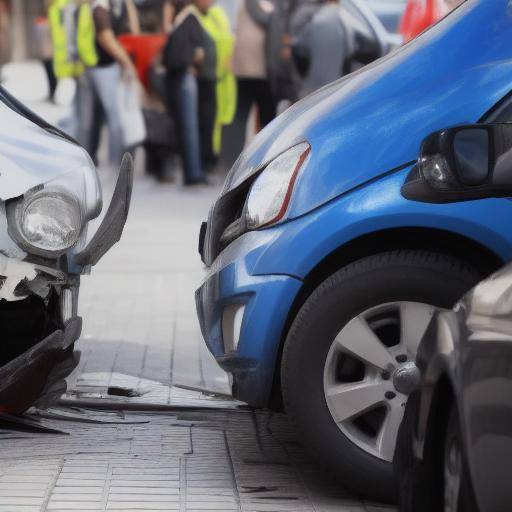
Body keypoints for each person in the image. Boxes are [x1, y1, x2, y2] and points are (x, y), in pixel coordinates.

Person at [79, 0, 139, 167]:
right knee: (114, 119)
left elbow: (134, 31)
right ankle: (116, 164)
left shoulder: (119, 5)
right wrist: (127, 63)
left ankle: (91, 161)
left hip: (105, 67)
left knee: (93, 121)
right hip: (102, 68)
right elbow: (105, 37)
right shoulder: (100, 6)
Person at [163, 0, 216, 185]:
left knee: (189, 127)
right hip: (186, 78)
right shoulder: (191, 17)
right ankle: (194, 174)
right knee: (190, 127)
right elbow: (195, 53)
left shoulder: (185, 18)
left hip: (183, 78)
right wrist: (194, 63)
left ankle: (194, 172)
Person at [198, 3, 236, 166]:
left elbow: (225, 38)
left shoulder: (215, 13)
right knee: (213, 119)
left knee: (216, 118)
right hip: (216, 75)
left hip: (217, 75)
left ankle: (213, 156)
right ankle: (212, 156)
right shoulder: (213, 14)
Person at [293, 0, 354, 98]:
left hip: (312, 86)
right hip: (336, 84)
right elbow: (350, 50)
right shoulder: (345, 20)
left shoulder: (316, 18)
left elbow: (301, 48)